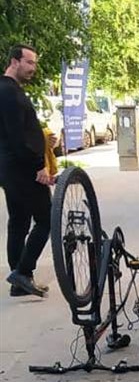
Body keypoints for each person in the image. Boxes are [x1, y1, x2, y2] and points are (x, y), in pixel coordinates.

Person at [0, 44, 54, 298]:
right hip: (21, 168)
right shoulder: (9, 93)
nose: (33, 68)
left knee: (19, 222)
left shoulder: (9, 90)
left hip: (11, 168)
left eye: (35, 63)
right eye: (29, 62)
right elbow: (17, 136)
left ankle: (18, 282)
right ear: (14, 61)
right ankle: (23, 271)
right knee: (47, 218)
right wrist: (38, 167)